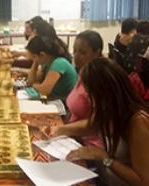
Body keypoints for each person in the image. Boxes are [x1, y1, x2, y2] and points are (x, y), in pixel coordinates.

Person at [48, 58, 149, 186]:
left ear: (105, 93)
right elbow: (92, 125)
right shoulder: (109, 109)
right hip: (102, 176)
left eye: (90, 94)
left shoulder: (138, 122)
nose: (89, 100)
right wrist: (61, 129)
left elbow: (144, 181)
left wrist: (104, 157)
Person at [26, 36, 77, 101]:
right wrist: (35, 62)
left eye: (34, 57)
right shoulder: (47, 63)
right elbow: (31, 81)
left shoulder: (59, 63)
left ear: (42, 55)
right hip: (53, 99)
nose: (33, 60)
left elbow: (44, 90)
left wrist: (33, 85)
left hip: (63, 104)